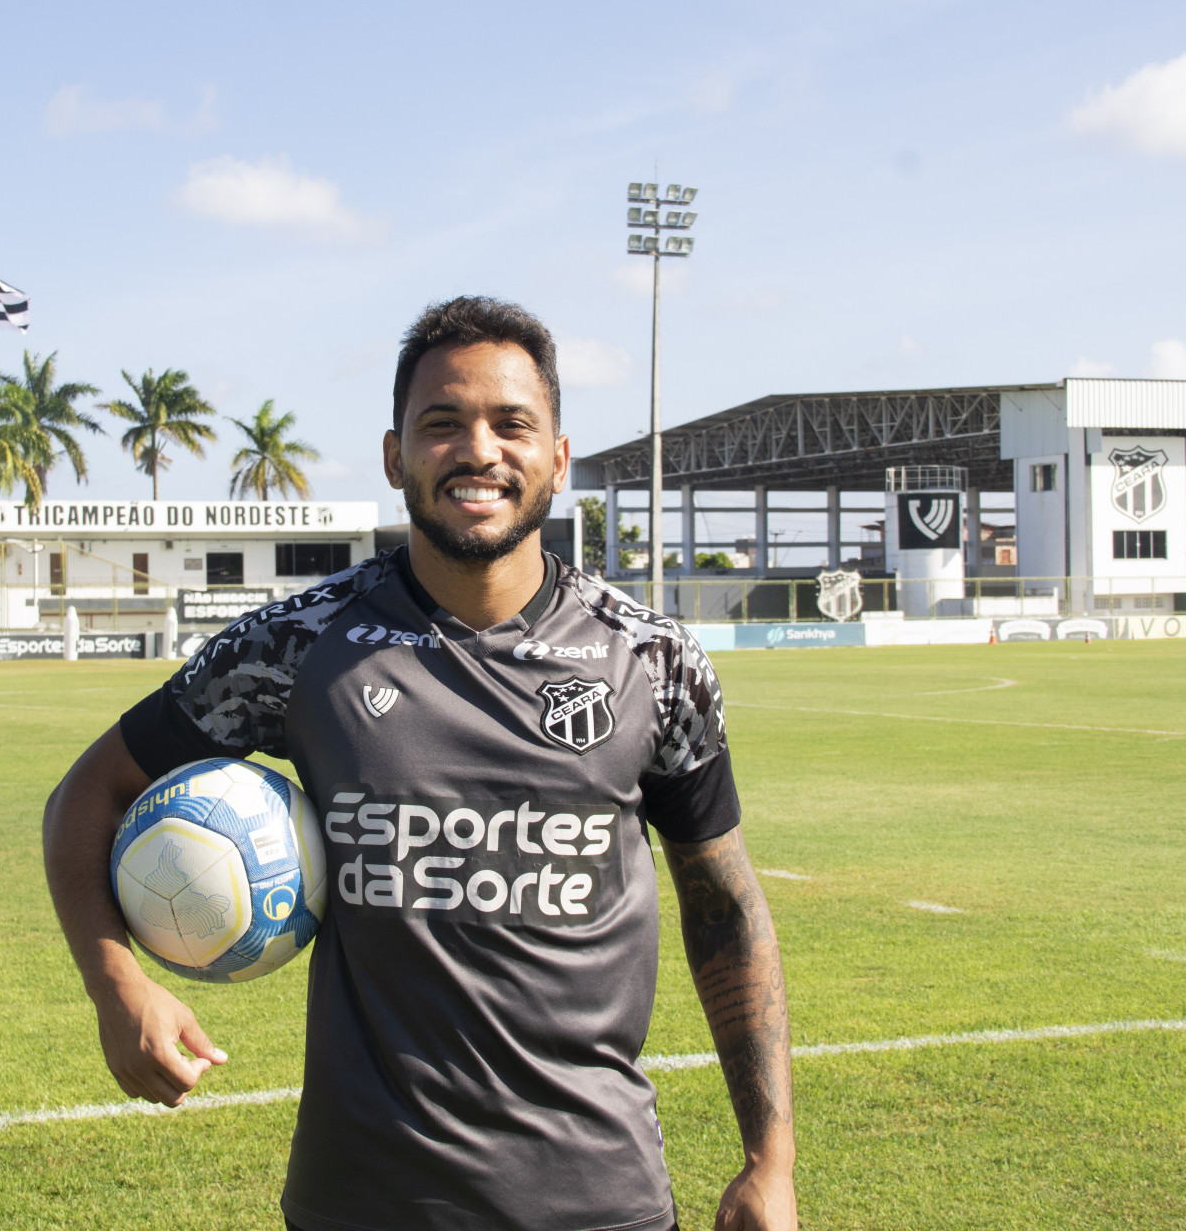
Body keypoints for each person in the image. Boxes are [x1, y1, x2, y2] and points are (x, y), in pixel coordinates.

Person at [42, 296, 796, 1231]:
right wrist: (118, 986)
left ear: (558, 459)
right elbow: (89, 793)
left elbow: (725, 905)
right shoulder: (300, 645)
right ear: (396, 454)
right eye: (442, 423)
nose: (478, 450)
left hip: (601, 1205)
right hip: (361, 1205)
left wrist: (771, 1160)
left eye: (512, 424)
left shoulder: (652, 660)